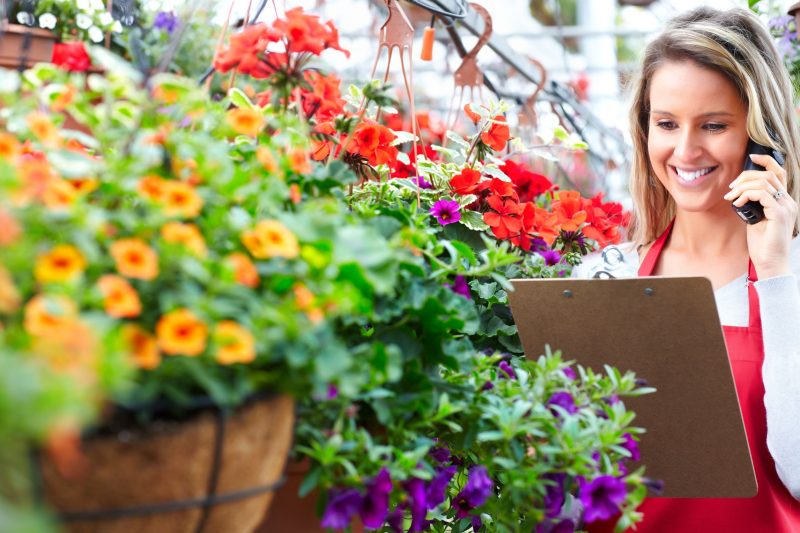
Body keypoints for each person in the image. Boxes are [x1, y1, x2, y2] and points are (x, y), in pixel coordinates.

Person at [575, 6, 800, 532]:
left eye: (714, 125)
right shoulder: (604, 277)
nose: (685, 150)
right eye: (667, 124)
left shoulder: (791, 279)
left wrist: (775, 274)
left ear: (761, 137)